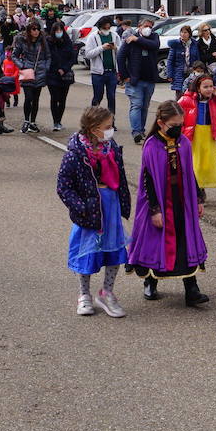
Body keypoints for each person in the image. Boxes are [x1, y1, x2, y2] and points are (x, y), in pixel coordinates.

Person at [127, 101, 209, 307]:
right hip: (161, 202)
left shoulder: (184, 142)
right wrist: (154, 210)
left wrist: (198, 198)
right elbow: (148, 179)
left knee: (185, 240)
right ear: (161, 123)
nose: (178, 128)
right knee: (157, 242)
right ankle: (150, 281)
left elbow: (190, 172)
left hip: (182, 200)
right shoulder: (152, 145)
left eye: (181, 123)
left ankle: (192, 289)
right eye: (174, 124)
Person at [55, 106, 129, 318]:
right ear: (94, 129)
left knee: (114, 251)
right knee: (87, 253)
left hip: (111, 206)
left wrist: (123, 201)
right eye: (107, 126)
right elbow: (63, 186)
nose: (111, 129)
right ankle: (84, 294)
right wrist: (82, 208)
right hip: (90, 211)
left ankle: (106, 292)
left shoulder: (111, 147)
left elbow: (121, 177)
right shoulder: (75, 154)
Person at [179, 73, 216, 197]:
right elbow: (177, 113)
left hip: (209, 134)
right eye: (205, 87)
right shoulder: (187, 99)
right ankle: (194, 188)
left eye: (211, 86)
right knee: (194, 161)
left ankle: (200, 187)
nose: (209, 89)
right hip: (193, 135)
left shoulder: (214, 100)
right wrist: (180, 131)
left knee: (206, 164)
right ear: (198, 88)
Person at [120, 17, 162, 143]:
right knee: (136, 105)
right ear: (139, 26)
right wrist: (124, 75)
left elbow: (155, 45)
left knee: (145, 106)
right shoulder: (129, 38)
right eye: (146, 26)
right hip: (135, 80)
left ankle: (142, 131)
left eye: (151, 26)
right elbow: (120, 57)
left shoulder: (153, 37)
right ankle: (136, 131)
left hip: (149, 79)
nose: (148, 29)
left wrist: (138, 39)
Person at [11, 21, 51, 134]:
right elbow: (14, 55)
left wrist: (46, 67)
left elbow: (48, 56)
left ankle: (33, 121)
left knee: (36, 98)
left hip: (40, 72)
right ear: (29, 30)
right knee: (28, 97)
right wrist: (22, 65)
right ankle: (26, 120)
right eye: (33, 29)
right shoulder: (22, 41)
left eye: (38, 29)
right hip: (27, 72)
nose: (36, 31)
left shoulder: (43, 41)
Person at [83, 16, 122, 117]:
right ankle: (92, 118)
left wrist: (115, 48)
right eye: (105, 28)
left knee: (112, 97)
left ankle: (111, 120)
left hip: (112, 72)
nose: (107, 30)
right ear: (100, 27)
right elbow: (88, 54)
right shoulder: (93, 37)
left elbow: (121, 52)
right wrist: (102, 48)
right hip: (98, 73)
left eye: (109, 28)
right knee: (98, 96)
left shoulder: (114, 36)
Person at [46, 20, 76, 132]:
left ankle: (59, 120)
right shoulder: (49, 42)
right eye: (57, 30)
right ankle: (55, 121)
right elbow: (47, 57)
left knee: (62, 99)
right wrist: (55, 68)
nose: (59, 32)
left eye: (60, 30)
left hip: (65, 74)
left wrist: (64, 68)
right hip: (52, 74)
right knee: (54, 98)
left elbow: (72, 58)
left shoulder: (67, 42)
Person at [164, 25, 200, 96]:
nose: (183, 34)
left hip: (191, 71)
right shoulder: (176, 45)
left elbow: (197, 59)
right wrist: (169, 74)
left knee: (191, 92)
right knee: (180, 94)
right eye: (182, 32)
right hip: (179, 72)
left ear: (189, 34)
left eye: (185, 32)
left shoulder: (195, 44)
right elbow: (170, 61)